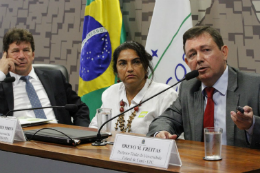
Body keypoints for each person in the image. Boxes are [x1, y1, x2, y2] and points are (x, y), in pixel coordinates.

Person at [147, 26, 260, 149]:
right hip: (199, 166)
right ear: (186, 62)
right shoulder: (188, 88)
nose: (199, 59)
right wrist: (161, 133)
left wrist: (252, 125)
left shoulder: (254, 85)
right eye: (192, 54)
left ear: (224, 52)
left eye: (206, 50)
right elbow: (167, 120)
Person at [0, 28, 90, 127]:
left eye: (26, 50)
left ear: (33, 54)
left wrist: (81, 133)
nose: (21, 56)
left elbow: (80, 109)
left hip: (60, 136)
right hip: (21, 140)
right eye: (15, 51)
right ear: (5, 55)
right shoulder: (2, 83)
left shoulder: (55, 78)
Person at [89, 41, 178, 134]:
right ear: (116, 71)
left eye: (136, 62)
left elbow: (173, 135)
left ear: (146, 66)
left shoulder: (165, 95)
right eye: (123, 63)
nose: (130, 69)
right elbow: (94, 128)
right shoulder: (110, 93)